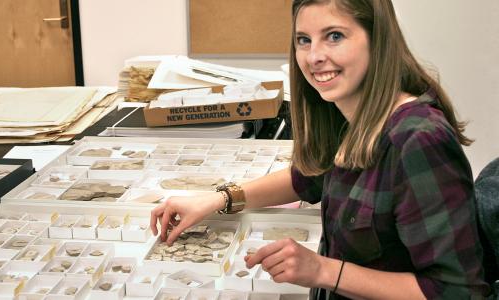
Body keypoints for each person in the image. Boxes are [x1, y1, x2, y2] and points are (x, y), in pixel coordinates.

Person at [150, 0, 491, 298]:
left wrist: (322, 271)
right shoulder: (350, 108)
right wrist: (218, 199)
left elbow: (456, 292)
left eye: (335, 36)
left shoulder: (419, 141)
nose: (314, 57)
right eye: (304, 40)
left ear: (378, 39)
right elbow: (308, 177)